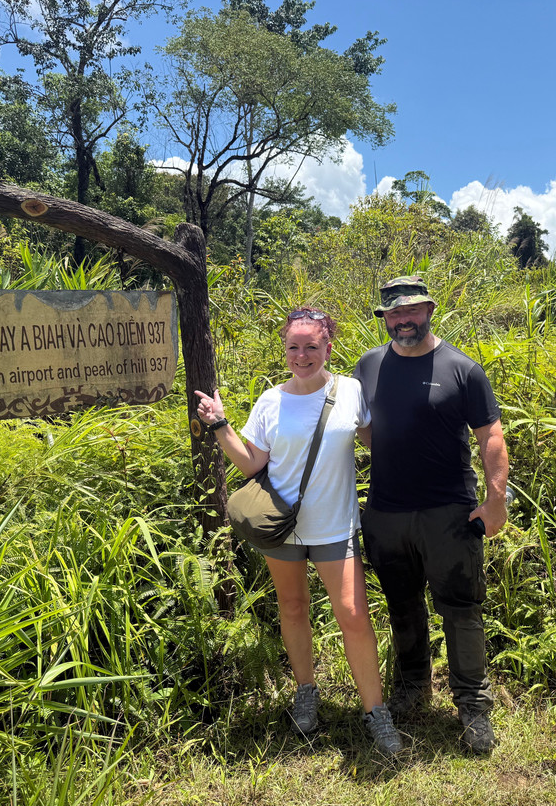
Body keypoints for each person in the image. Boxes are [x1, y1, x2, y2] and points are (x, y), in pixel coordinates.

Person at [194, 307, 403, 756]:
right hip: (282, 526)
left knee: (352, 615)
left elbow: (377, 442)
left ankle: (376, 711)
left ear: (329, 346)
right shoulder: (271, 400)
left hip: (335, 525)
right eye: (294, 346)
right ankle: (306, 691)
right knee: (292, 607)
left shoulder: (350, 391)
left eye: (312, 346)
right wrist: (218, 423)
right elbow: (252, 463)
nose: (302, 354)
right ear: (284, 349)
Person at [353, 276, 509, 754]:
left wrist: (496, 501)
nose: (403, 321)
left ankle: (474, 708)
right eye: (393, 315)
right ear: (385, 318)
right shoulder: (368, 365)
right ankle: (413, 687)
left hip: (450, 513)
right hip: (387, 511)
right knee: (402, 605)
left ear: (429, 310)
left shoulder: (462, 369)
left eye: (411, 311)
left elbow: (492, 438)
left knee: (461, 611)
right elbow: (363, 429)